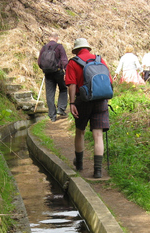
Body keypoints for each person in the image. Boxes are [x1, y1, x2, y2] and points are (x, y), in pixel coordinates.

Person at [65, 38, 113, 178]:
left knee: (80, 132)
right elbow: (108, 81)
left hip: (83, 101)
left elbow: (72, 85)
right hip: (100, 100)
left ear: (76, 50)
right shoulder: (99, 60)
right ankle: (98, 171)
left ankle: (79, 165)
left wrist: (72, 103)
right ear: (88, 48)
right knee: (98, 135)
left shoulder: (73, 63)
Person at [37, 32, 68, 122]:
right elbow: (64, 60)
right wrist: (66, 71)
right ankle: (61, 109)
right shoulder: (59, 47)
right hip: (58, 72)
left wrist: (45, 69)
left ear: (49, 38)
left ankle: (52, 116)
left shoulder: (44, 48)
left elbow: (39, 62)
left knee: (50, 93)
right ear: (56, 38)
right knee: (63, 89)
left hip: (48, 73)